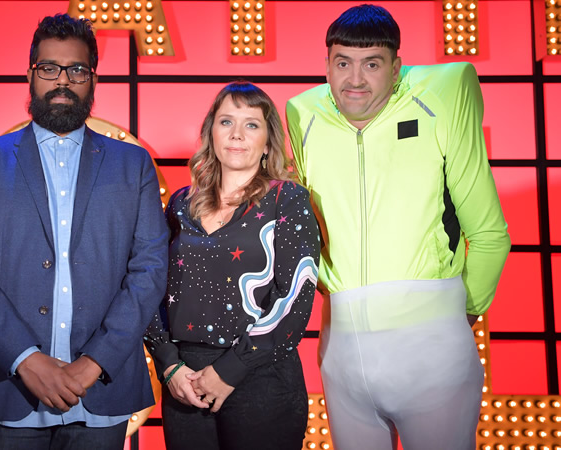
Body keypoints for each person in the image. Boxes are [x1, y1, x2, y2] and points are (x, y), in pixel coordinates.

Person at [285, 4, 510, 449]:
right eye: (342, 63)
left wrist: (450, 319)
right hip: (341, 351)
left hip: (434, 353)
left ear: (396, 67)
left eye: (372, 64)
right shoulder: (301, 115)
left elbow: (489, 234)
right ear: (326, 65)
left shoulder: (440, 99)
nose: (355, 80)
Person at [0, 13, 168, 450]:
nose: (62, 80)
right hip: (5, 388)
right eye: (49, 68)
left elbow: (150, 270)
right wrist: (25, 359)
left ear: (93, 79)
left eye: (77, 69)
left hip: (100, 390)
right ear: (30, 75)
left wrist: (93, 363)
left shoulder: (132, 163)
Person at [144, 81, 321, 450]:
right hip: (184, 384)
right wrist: (169, 363)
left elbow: (295, 299)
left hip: (260, 378)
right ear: (212, 132)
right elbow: (148, 285)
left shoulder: (287, 200)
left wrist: (228, 371)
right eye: (226, 122)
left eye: (251, 124)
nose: (237, 134)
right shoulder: (179, 205)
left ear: (268, 141)